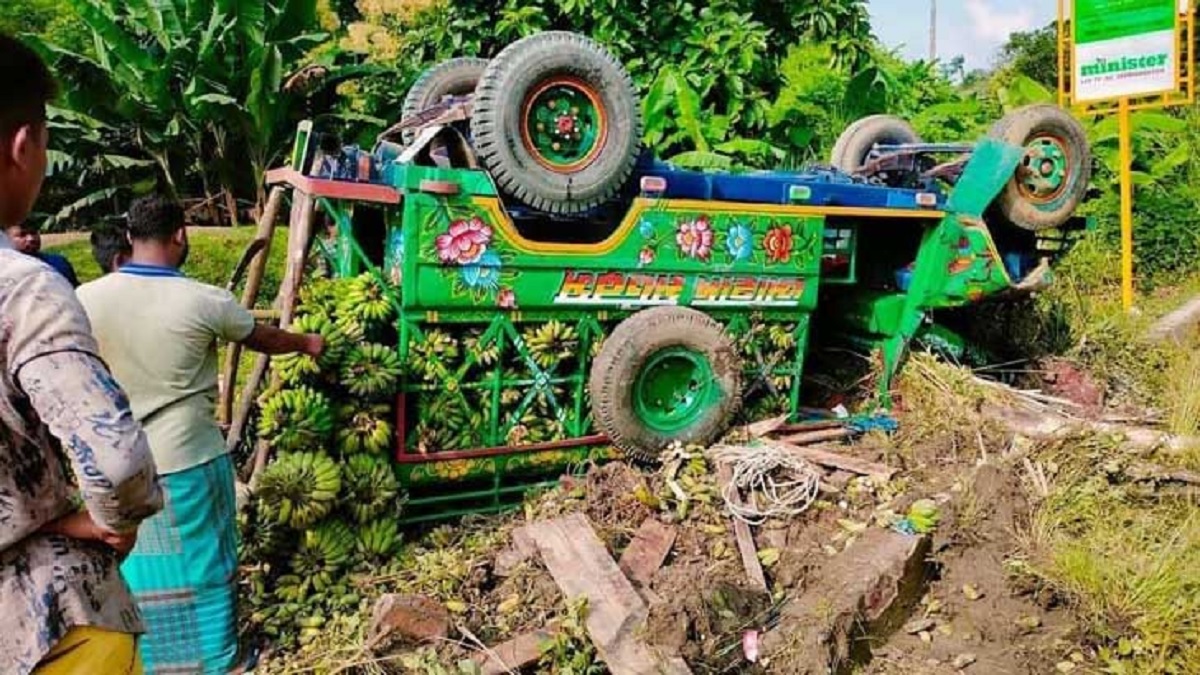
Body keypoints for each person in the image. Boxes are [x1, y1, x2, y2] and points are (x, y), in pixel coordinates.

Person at [77, 194, 325, 674]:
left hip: (114, 463)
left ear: (129, 237)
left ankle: (149, 660)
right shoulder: (203, 299)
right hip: (187, 457)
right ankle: (216, 662)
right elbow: (265, 339)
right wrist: (307, 343)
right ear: (180, 235)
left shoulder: (84, 299)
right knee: (206, 562)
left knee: (140, 565)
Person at [0, 33, 164, 675]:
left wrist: (44, 519)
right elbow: (116, 462)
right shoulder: (23, 289)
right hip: (47, 628)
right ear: (23, 146)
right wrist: (113, 518)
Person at [5, 220, 81, 287]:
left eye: (33, 233)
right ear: (6, 239)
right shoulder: (4, 270)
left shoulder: (59, 263)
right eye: (22, 235)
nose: (31, 239)